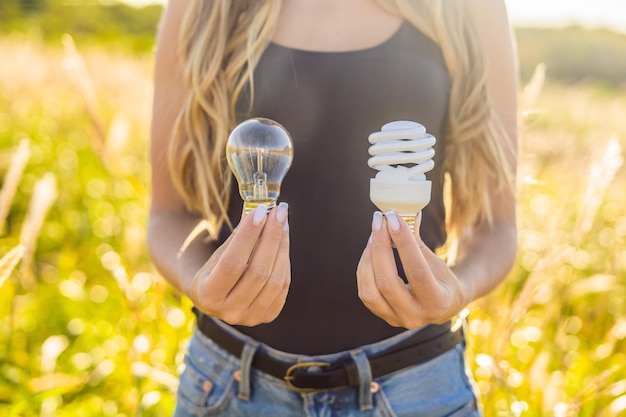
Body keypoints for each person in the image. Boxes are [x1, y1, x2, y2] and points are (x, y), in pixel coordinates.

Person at [148, 0, 518, 415]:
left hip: (416, 389)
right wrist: (200, 280)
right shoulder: (203, 7)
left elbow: (497, 228)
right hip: (229, 387)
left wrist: (458, 288)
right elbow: (167, 216)